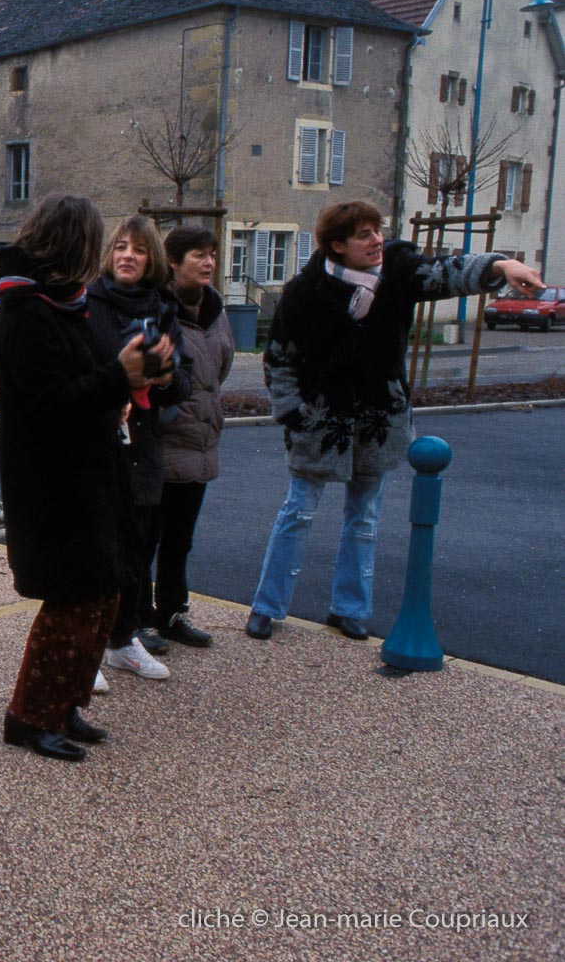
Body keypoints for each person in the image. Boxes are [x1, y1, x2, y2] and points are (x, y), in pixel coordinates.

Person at [248, 200, 544, 640]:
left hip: (379, 419)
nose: (376, 241)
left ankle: (350, 609)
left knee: (365, 517)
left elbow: (448, 272)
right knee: (299, 511)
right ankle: (267, 607)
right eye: (363, 235)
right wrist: (293, 413)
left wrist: (502, 265)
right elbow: (278, 359)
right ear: (337, 245)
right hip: (320, 422)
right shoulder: (303, 291)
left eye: (377, 230)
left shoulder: (400, 270)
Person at [0, 195, 163, 762]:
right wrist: (118, 376)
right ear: (77, 246)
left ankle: (63, 705)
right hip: (54, 484)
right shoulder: (27, 312)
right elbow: (48, 405)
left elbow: (87, 377)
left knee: (101, 597)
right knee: (72, 600)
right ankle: (28, 717)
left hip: (86, 474)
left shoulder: (62, 303)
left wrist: (136, 368)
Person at [84, 215, 191, 682]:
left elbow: (182, 383)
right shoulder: (89, 303)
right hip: (98, 445)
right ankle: (84, 648)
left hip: (143, 447)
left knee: (136, 552)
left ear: (153, 260)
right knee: (95, 554)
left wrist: (165, 376)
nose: (128, 255)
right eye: (121, 247)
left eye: (139, 249)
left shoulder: (162, 308)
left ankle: (123, 640)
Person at [148, 225, 235, 648]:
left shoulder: (215, 310)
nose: (209, 263)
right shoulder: (157, 307)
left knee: (180, 539)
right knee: (145, 539)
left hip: (200, 442)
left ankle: (171, 612)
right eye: (199, 255)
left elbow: (221, 368)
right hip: (164, 440)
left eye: (212, 255)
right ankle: (134, 622)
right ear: (173, 261)